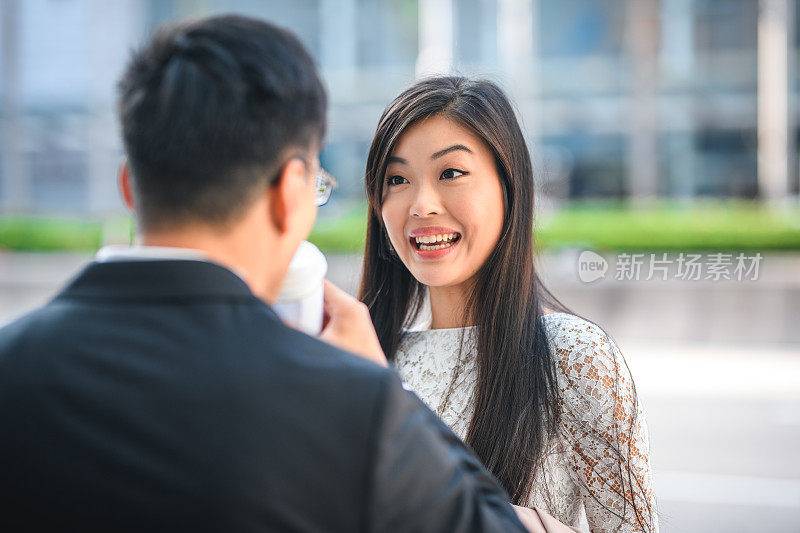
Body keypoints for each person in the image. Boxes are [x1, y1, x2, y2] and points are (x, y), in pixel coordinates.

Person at [0, 17, 533, 532]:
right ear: (288, 193)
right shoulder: (347, 407)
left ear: (129, 187)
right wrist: (385, 397)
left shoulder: (13, 368)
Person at [359, 76, 659, 532]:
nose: (420, 205)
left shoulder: (575, 357)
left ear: (508, 186)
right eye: (396, 179)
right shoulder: (368, 358)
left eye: (451, 173)